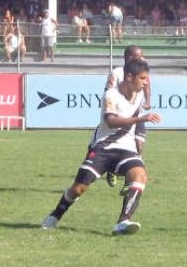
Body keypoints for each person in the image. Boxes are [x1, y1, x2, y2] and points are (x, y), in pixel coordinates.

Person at [42, 60, 161, 235]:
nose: (146, 82)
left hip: (126, 149)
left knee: (140, 176)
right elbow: (111, 122)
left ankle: (123, 222)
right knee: (79, 188)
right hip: (103, 148)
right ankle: (55, 215)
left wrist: (139, 137)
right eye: (142, 78)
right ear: (129, 77)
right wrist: (140, 119)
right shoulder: (111, 95)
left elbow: (137, 118)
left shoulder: (140, 95)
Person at [105, 45, 152, 188]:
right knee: (118, 145)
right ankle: (112, 169)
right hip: (122, 116)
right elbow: (109, 92)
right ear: (129, 57)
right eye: (139, 55)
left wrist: (148, 101)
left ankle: (130, 180)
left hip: (138, 114)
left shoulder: (142, 70)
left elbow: (148, 86)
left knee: (139, 144)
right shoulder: (117, 73)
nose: (142, 58)